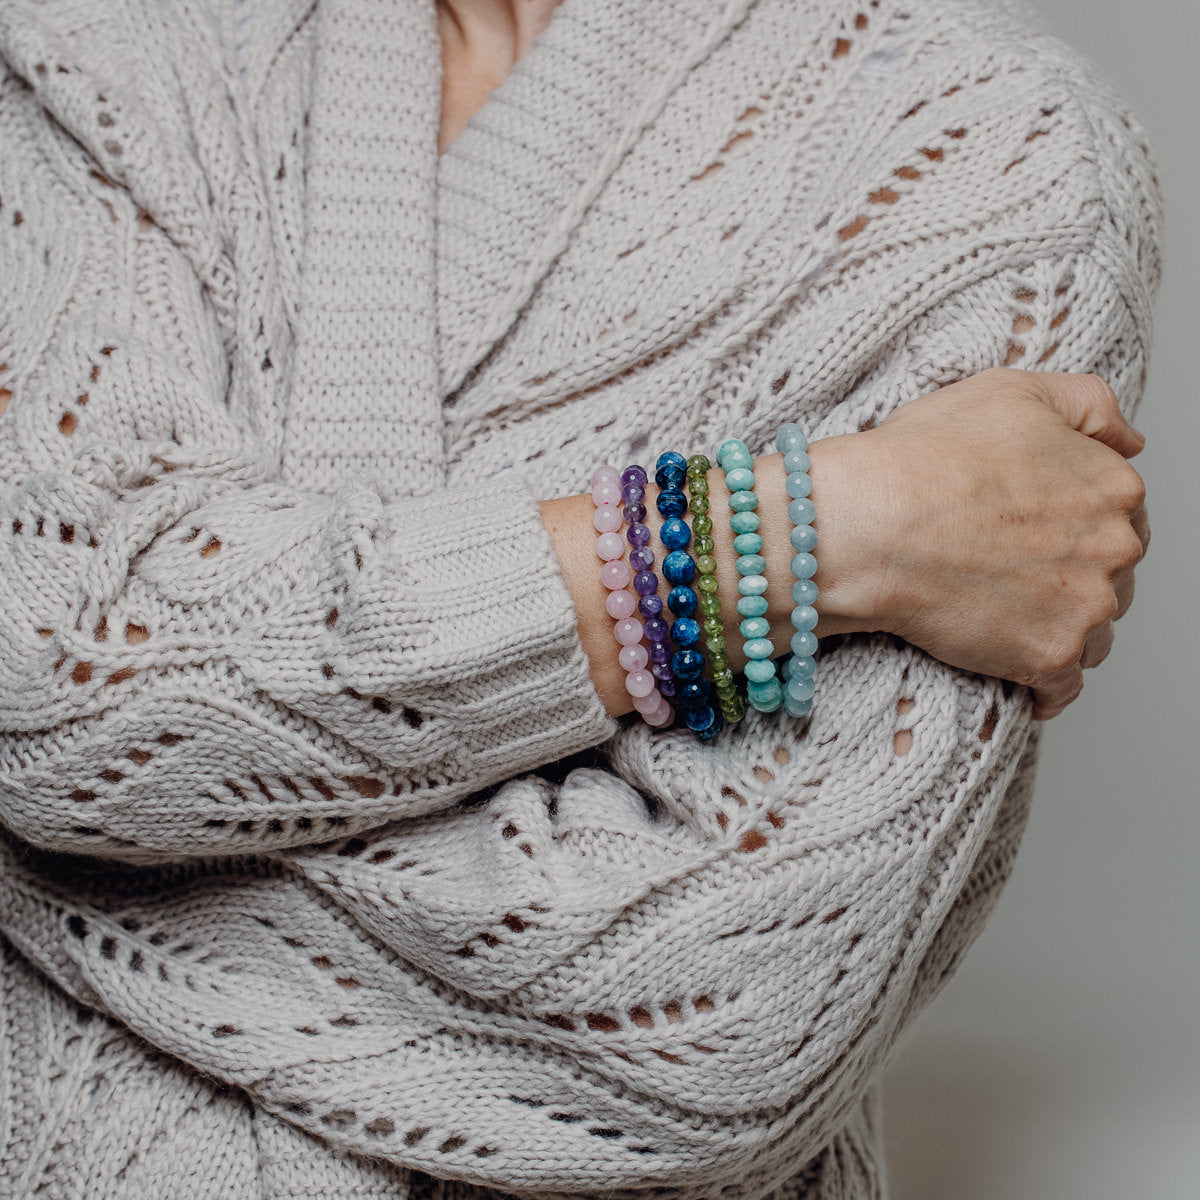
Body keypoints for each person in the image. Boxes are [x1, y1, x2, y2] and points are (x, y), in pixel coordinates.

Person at [0, 0, 1159, 1196]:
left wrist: (87, 826)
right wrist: (799, 534)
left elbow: (715, 1025)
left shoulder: (993, 149)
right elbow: (63, 684)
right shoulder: (102, 48)